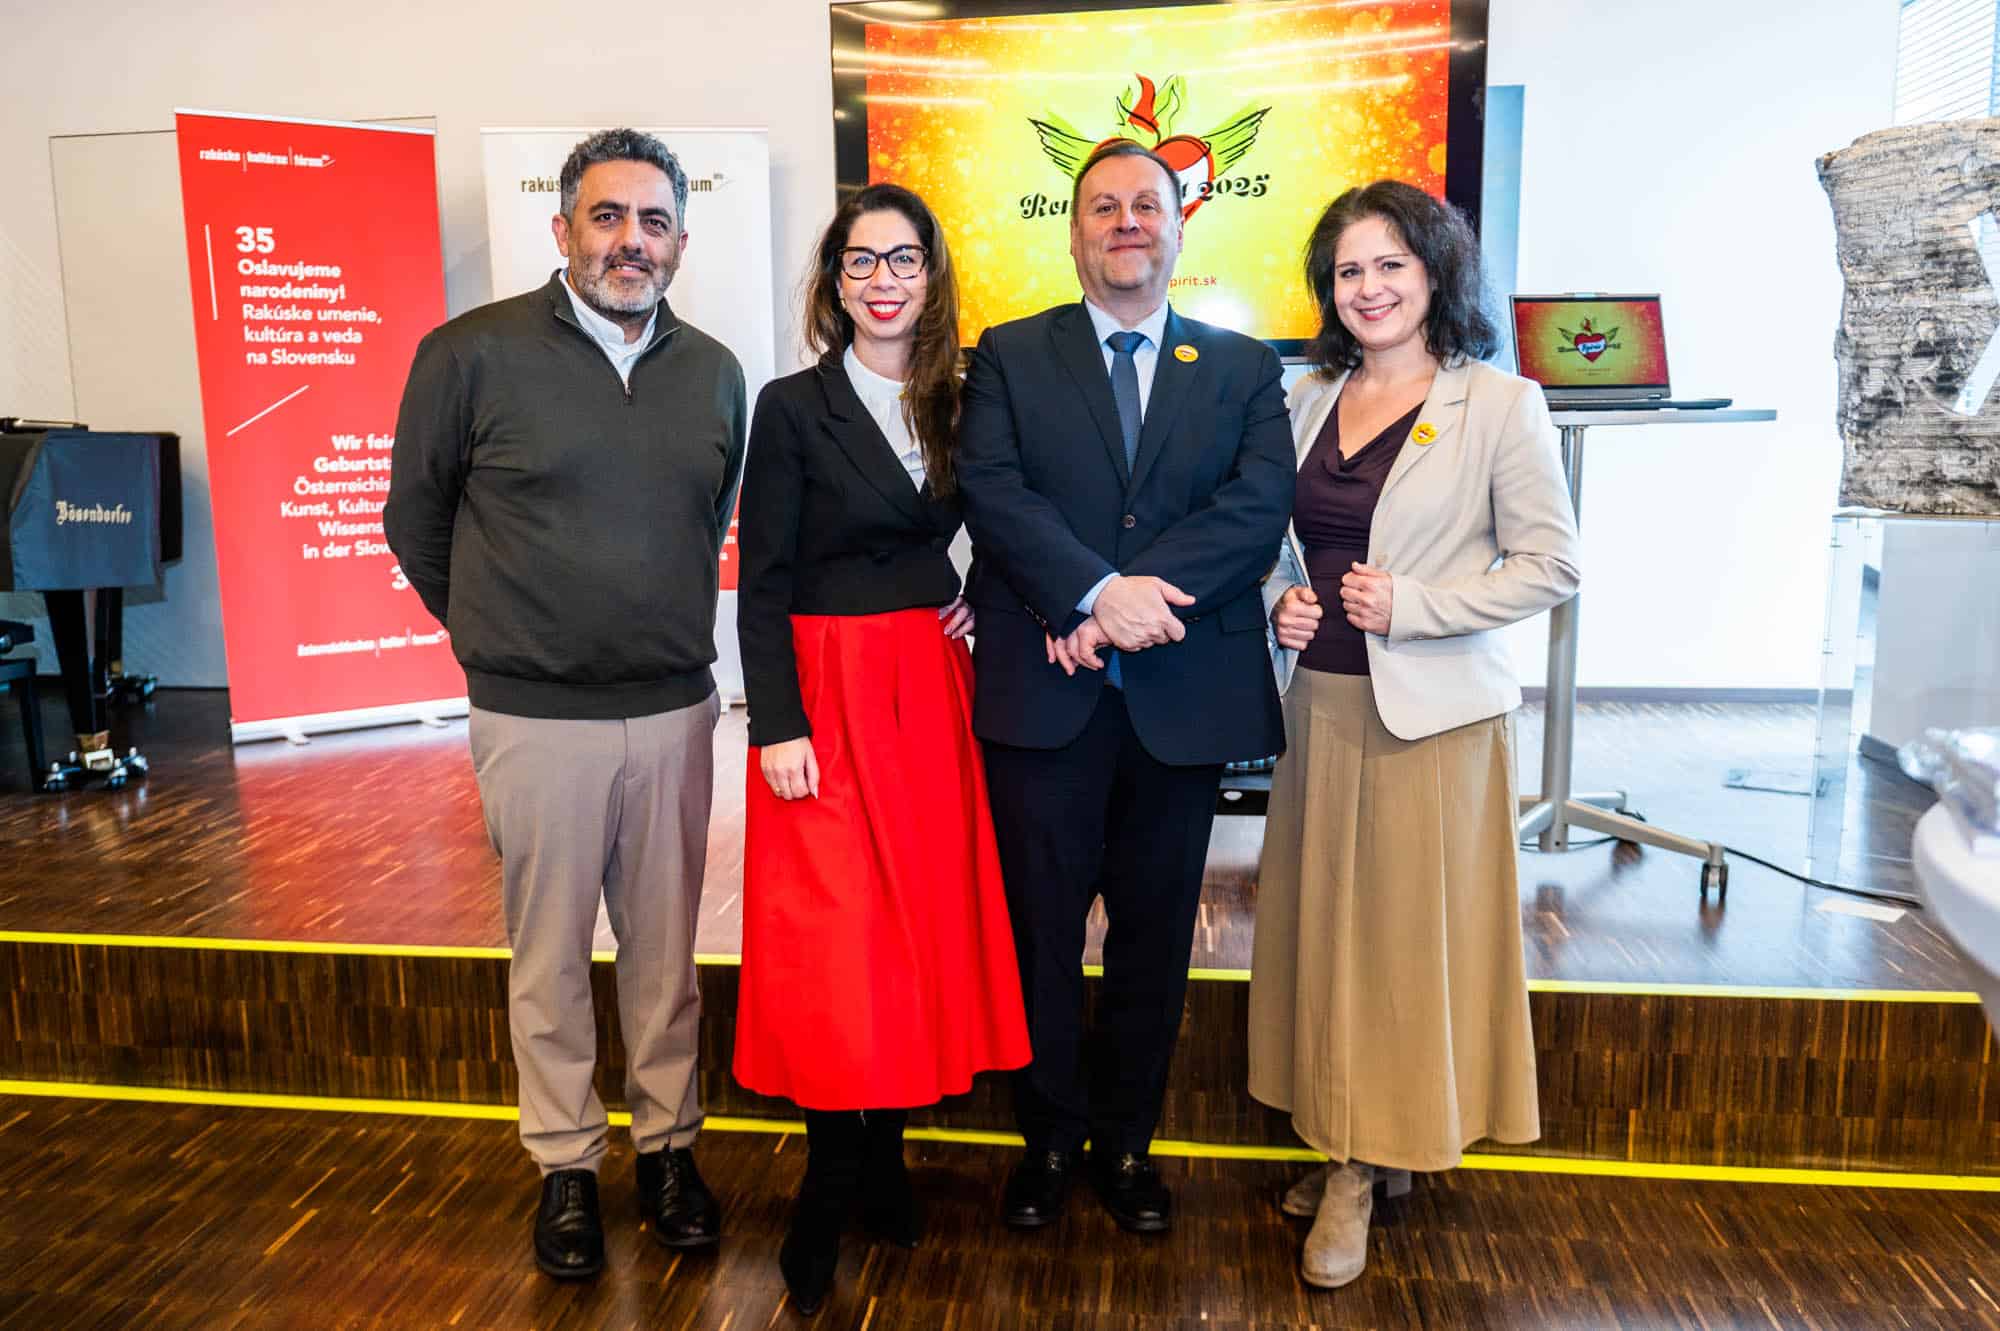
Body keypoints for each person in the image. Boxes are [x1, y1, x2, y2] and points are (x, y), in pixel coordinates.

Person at [384, 128, 746, 1281]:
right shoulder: (469, 354)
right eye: (607, 216)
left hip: (673, 709)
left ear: (678, 241)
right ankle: (567, 1166)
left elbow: (706, 521)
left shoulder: (714, 372)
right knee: (546, 959)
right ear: (562, 229)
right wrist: (503, 633)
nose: (630, 241)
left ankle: (670, 1149)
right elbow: (415, 521)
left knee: (665, 958)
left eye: (653, 221)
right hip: (533, 718)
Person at [957, 140, 1294, 1236]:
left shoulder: (1242, 367)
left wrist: (1124, 603)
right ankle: (1048, 1141)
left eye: (1145, 204)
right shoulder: (1008, 354)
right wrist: (1093, 594)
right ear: (1072, 233)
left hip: (1178, 698)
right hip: (1045, 693)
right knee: (1039, 935)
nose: (1125, 222)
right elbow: (994, 494)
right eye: (1102, 206)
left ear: (1180, 226)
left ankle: (1128, 1145)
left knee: (1155, 939)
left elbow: (1255, 509)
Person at [1250, 179, 1581, 1288]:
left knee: (1397, 947)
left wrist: (1418, 605)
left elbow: (1551, 564)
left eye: (1390, 263)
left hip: (1434, 722)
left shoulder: (1499, 402)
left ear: (1435, 272)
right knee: (1323, 938)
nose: (1369, 287)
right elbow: (1275, 546)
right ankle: (1351, 1135)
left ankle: (1360, 1166)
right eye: (1348, 270)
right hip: (1319, 704)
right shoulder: (1304, 398)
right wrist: (1280, 603)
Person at [733, 182, 1031, 1314]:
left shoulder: (964, 399)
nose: (883, 280)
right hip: (822, 693)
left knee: (914, 924)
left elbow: (1016, 519)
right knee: (831, 941)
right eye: (861, 260)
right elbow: (761, 579)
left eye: (903, 258)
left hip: (927, 684)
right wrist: (776, 722)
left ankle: (888, 1154)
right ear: (835, 281)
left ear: (931, 273)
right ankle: (829, 1176)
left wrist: (977, 595)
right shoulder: (791, 406)